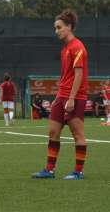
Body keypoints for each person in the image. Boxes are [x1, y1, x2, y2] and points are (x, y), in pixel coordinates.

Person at [32, 9, 88, 180]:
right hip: (62, 95)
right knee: (53, 132)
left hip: (75, 97)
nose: (56, 31)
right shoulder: (65, 49)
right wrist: (60, 96)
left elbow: (78, 75)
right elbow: (67, 76)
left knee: (77, 134)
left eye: (59, 27)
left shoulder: (78, 47)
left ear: (69, 27)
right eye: (55, 28)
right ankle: (49, 170)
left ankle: (78, 172)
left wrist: (71, 98)